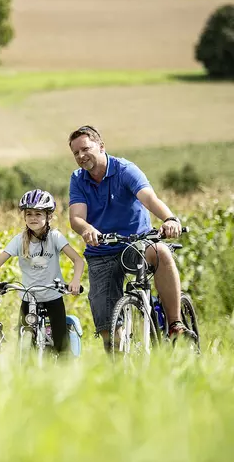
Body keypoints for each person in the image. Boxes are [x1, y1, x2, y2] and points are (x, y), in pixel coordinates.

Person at [67, 125, 196, 351]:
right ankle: (119, 369)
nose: (80, 156)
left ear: (101, 146)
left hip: (135, 243)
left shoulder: (125, 169)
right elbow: (77, 217)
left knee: (161, 252)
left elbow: (149, 198)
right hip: (102, 249)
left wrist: (170, 219)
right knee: (108, 330)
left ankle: (175, 324)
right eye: (75, 153)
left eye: (85, 149)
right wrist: (87, 229)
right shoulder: (78, 179)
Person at [0, 189, 84, 355]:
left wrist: (75, 281)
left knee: (61, 346)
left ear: (48, 217)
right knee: (24, 345)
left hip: (53, 296)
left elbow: (78, 260)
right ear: (24, 217)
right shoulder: (19, 240)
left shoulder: (55, 237)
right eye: (29, 213)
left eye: (38, 214)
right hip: (28, 297)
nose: (33, 218)